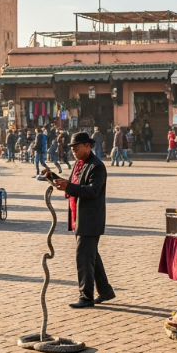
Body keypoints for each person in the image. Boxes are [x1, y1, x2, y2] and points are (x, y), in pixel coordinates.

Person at [47, 132, 114, 308]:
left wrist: (68, 186)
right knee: (91, 255)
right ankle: (105, 291)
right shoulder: (79, 164)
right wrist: (53, 177)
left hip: (90, 218)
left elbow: (92, 191)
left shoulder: (96, 166)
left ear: (87, 146)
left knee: (83, 257)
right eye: (73, 150)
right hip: (78, 217)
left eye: (76, 149)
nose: (74, 153)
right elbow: (72, 185)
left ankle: (86, 296)